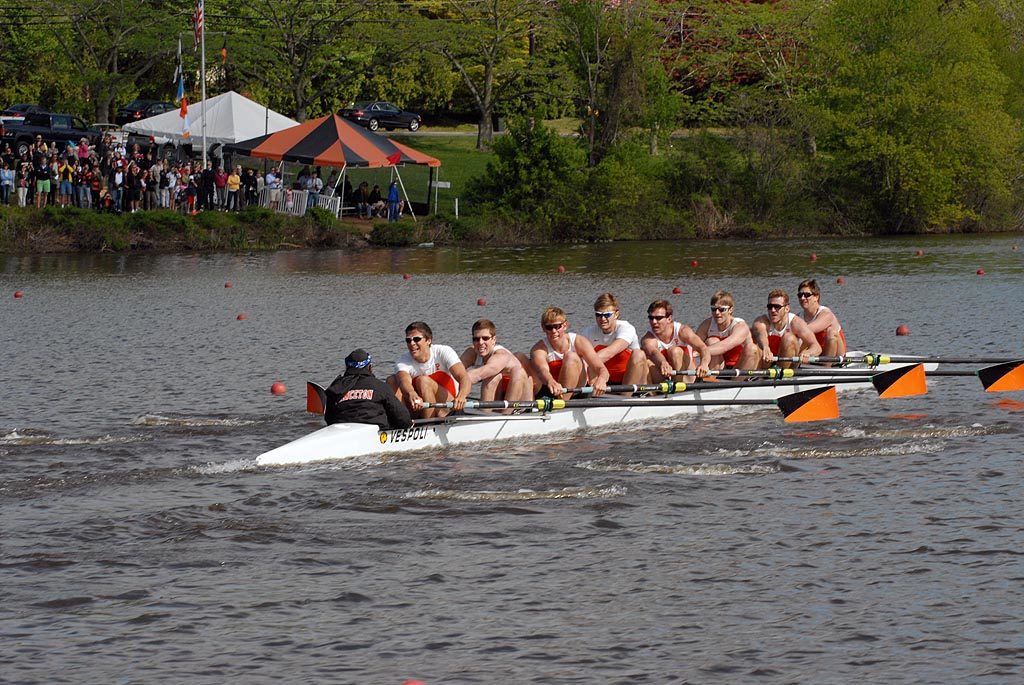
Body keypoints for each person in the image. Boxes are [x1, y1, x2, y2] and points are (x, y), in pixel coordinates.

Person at [389, 321, 472, 419]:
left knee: (423, 381)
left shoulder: (443, 352)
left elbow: (463, 376)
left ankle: (428, 422)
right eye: (408, 340)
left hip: (449, 408)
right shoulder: (402, 361)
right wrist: (411, 393)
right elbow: (404, 381)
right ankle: (402, 422)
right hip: (419, 407)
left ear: (428, 340)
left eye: (416, 339)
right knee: (392, 380)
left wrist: (462, 396)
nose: (412, 343)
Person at [524, 306, 609, 400]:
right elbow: (542, 370)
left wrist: (601, 380)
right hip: (552, 389)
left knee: (570, 356)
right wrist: (551, 381)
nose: (553, 331)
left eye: (557, 326)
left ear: (565, 325)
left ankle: (563, 401)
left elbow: (601, 369)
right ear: (543, 328)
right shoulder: (538, 349)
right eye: (549, 327)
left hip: (577, 390)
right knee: (520, 357)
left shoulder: (579, 341)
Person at [324, 349, 413, 430]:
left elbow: (328, 418)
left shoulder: (335, 387)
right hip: (376, 434)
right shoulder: (380, 386)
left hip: (342, 431)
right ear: (370, 367)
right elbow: (404, 420)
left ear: (347, 367)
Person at [578, 292, 648, 388]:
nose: (602, 319)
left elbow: (610, 352)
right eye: (598, 315)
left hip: (629, 380)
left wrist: (589, 363)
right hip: (605, 381)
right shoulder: (588, 332)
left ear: (616, 314)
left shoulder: (626, 328)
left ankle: (626, 397)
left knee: (639, 354)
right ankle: (593, 392)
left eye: (607, 315)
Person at [459, 319, 531, 407]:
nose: (480, 342)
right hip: (500, 396)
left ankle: (506, 415)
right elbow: (456, 371)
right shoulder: (471, 352)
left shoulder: (501, 355)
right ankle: (486, 414)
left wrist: (462, 391)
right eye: (476, 339)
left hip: (522, 398)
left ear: (494, 340)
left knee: (513, 372)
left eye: (485, 338)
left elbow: (478, 374)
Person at [641, 299, 710, 382]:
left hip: (689, 377)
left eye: (658, 318)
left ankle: (677, 388)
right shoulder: (648, 338)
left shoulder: (682, 331)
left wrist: (704, 364)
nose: (654, 322)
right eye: (651, 318)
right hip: (666, 377)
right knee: (645, 360)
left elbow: (703, 348)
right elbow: (653, 352)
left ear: (669, 318)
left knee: (674, 351)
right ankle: (654, 393)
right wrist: (663, 362)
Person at [751, 289, 822, 369]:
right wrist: (765, 347)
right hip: (767, 361)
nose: (773, 310)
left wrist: (808, 353)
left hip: (789, 364)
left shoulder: (796, 322)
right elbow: (762, 334)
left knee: (788, 337)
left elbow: (816, 347)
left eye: (777, 307)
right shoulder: (761, 321)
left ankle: (780, 373)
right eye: (770, 307)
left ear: (787, 309)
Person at [695, 290, 760, 370]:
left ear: (730, 310)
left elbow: (724, 346)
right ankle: (711, 379)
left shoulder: (740, 326)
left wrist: (698, 352)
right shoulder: (707, 324)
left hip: (740, 367)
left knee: (752, 348)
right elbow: (693, 345)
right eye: (713, 309)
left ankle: (737, 382)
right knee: (711, 341)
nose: (717, 313)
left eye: (721, 309)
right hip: (722, 367)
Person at [796, 278, 847, 361]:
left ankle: (827, 367)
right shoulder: (798, 317)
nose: (802, 298)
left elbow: (808, 330)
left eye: (807, 295)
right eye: (800, 295)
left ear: (816, 297)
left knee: (831, 332)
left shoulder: (826, 314)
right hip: (815, 353)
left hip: (837, 355)